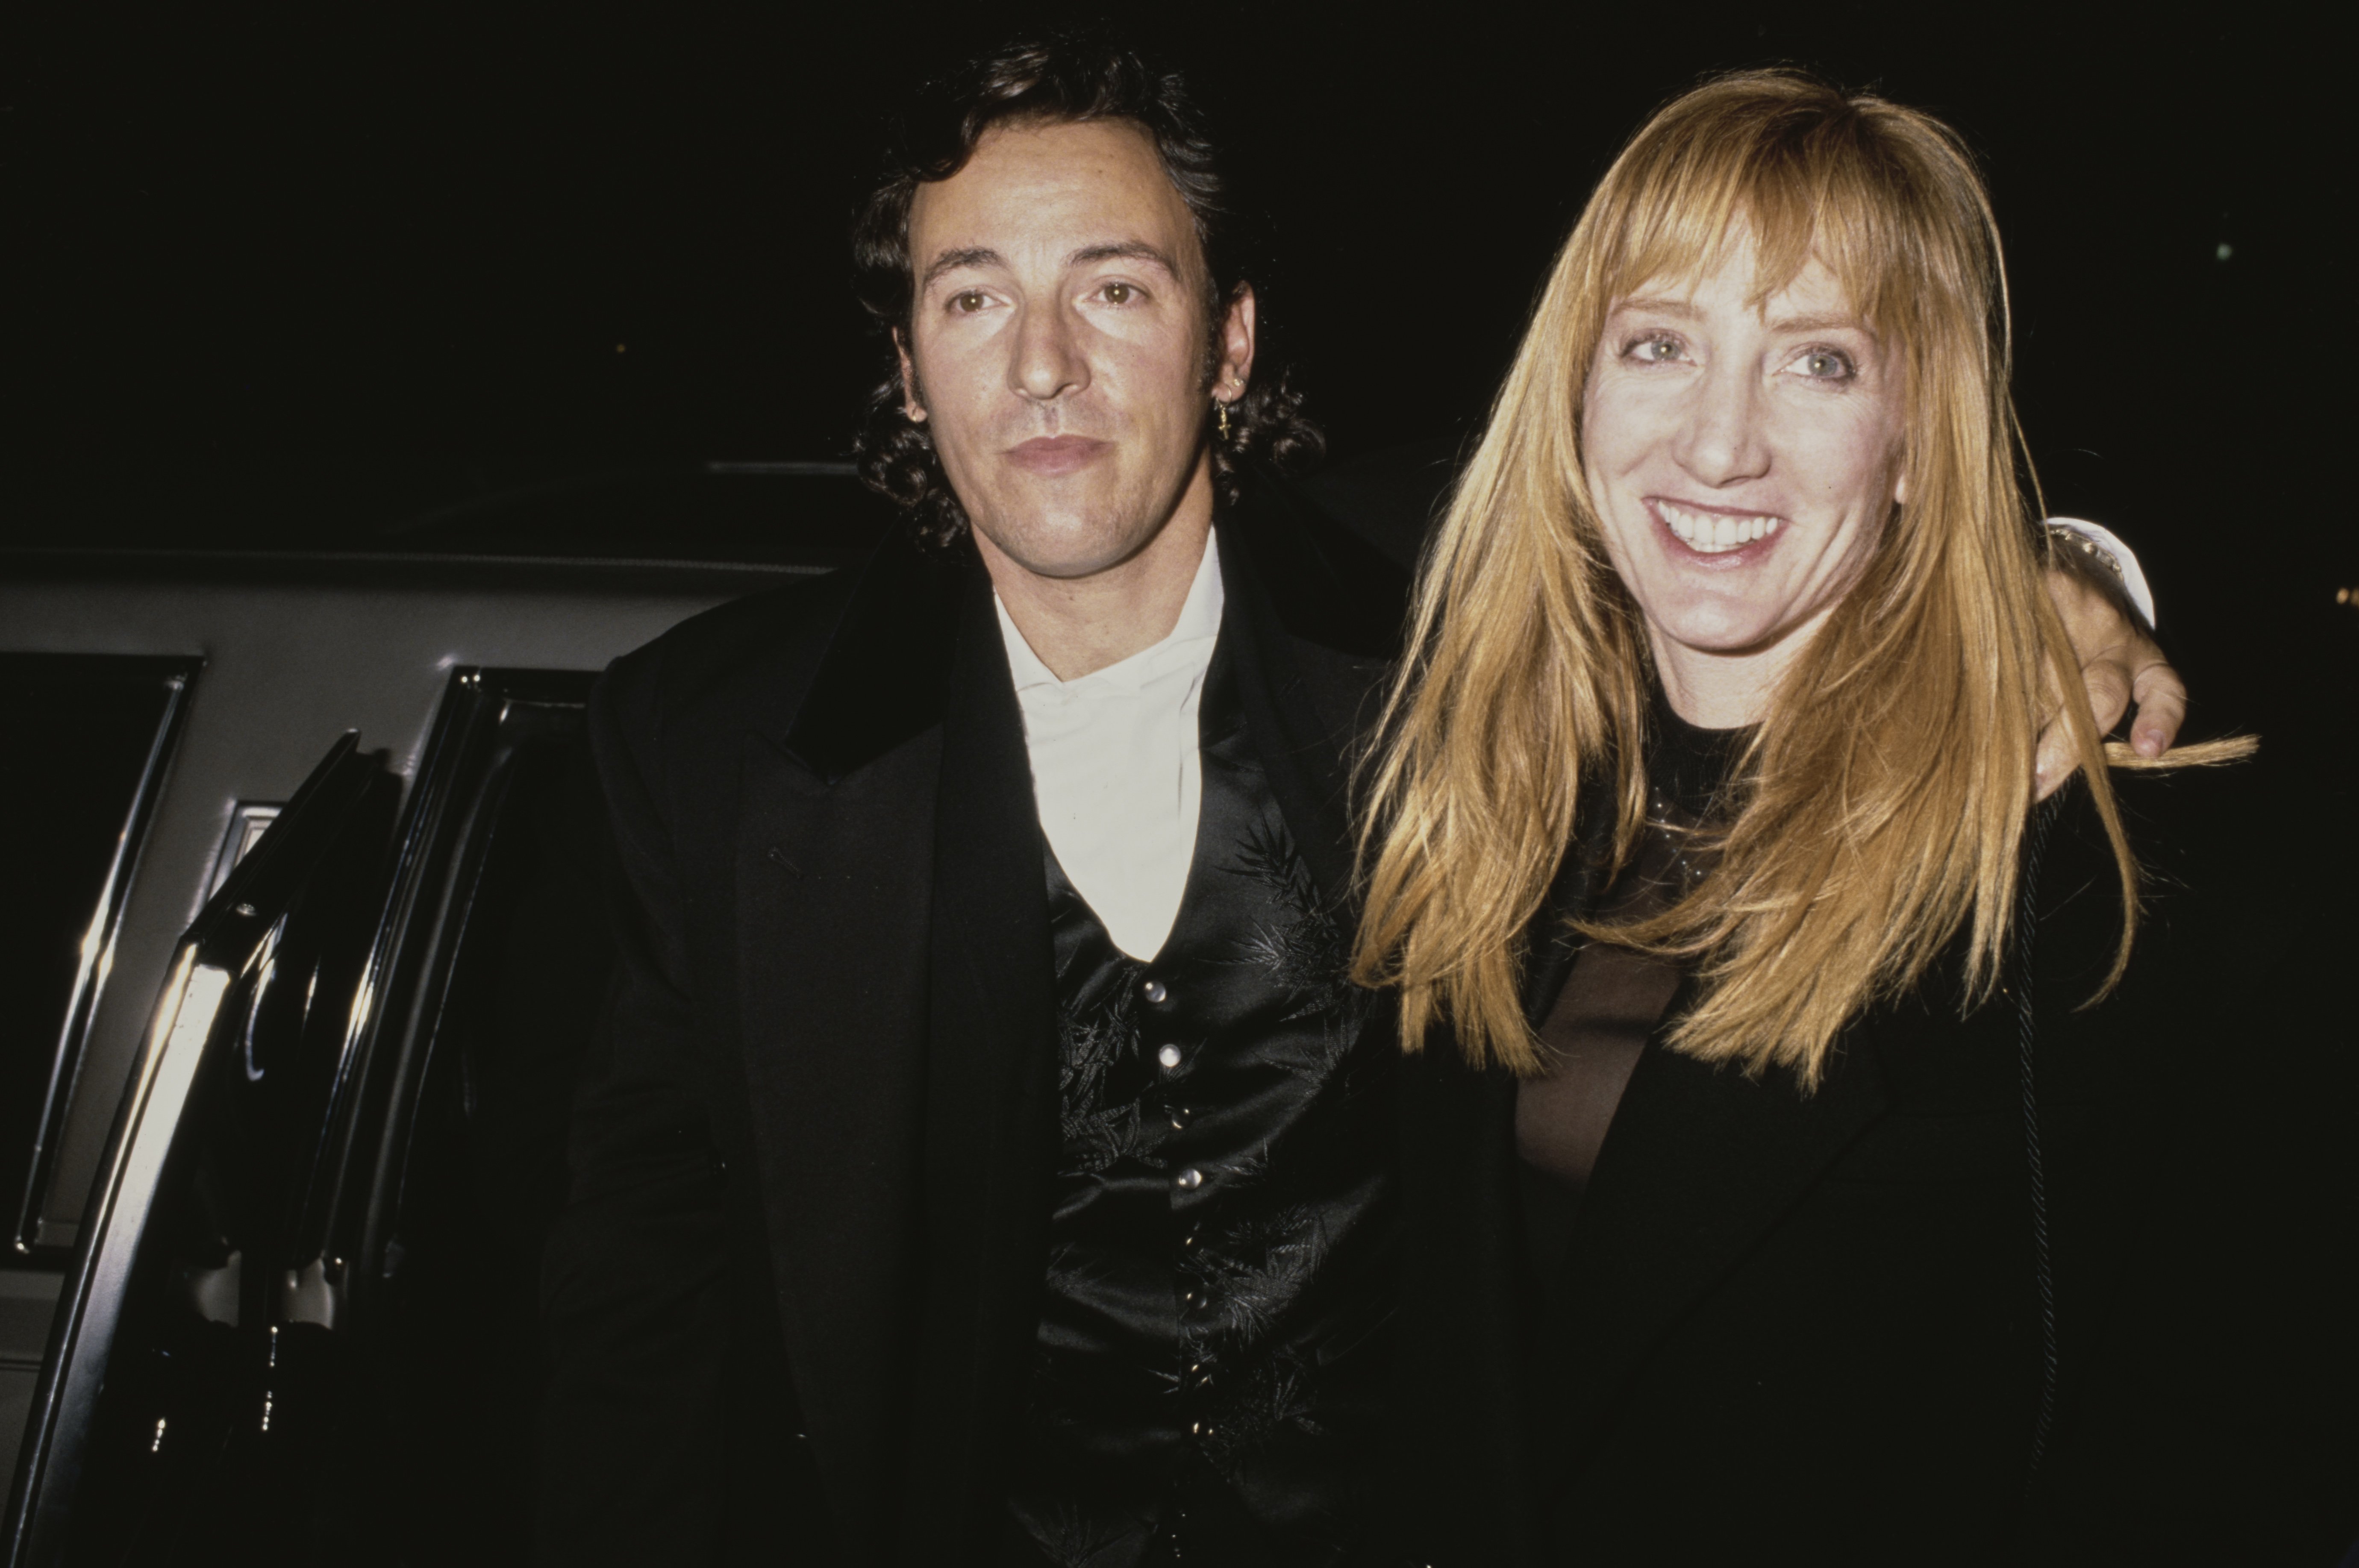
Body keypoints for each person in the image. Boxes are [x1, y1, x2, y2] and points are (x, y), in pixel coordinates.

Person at [535, 41, 2187, 1568]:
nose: (1045, 364)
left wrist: (2055, 580)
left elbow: (1730, 495)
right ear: (905, 364)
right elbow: (639, 1328)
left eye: (1115, 286)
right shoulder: (720, 743)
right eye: (972, 301)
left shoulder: (1441, 612)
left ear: (1231, 338)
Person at [1354, 70, 2344, 1563]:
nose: (1718, 443)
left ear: (1917, 433)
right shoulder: (1473, 787)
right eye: (1660, 344)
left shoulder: (2113, 897)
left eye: (1819, 363)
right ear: (1574, 390)